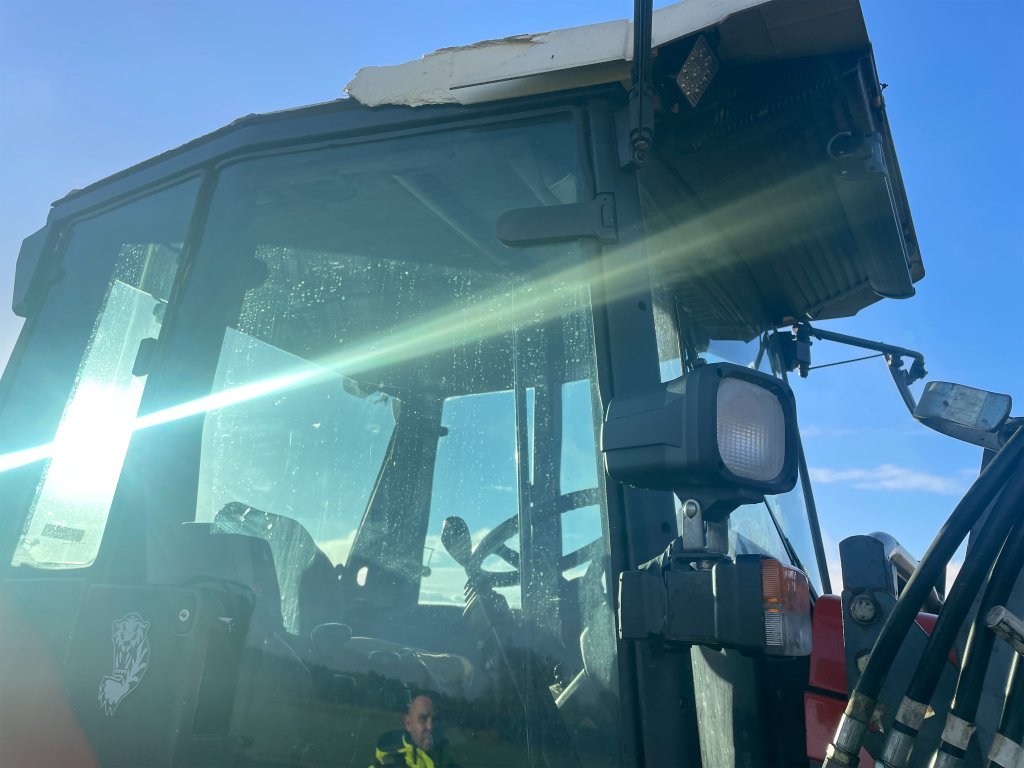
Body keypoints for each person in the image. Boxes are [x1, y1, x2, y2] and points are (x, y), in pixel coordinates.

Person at [371, 693, 460, 768]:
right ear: (408, 724)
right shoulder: (389, 762)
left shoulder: (452, 760)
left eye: (436, 719)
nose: (430, 727)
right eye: (422, 719)